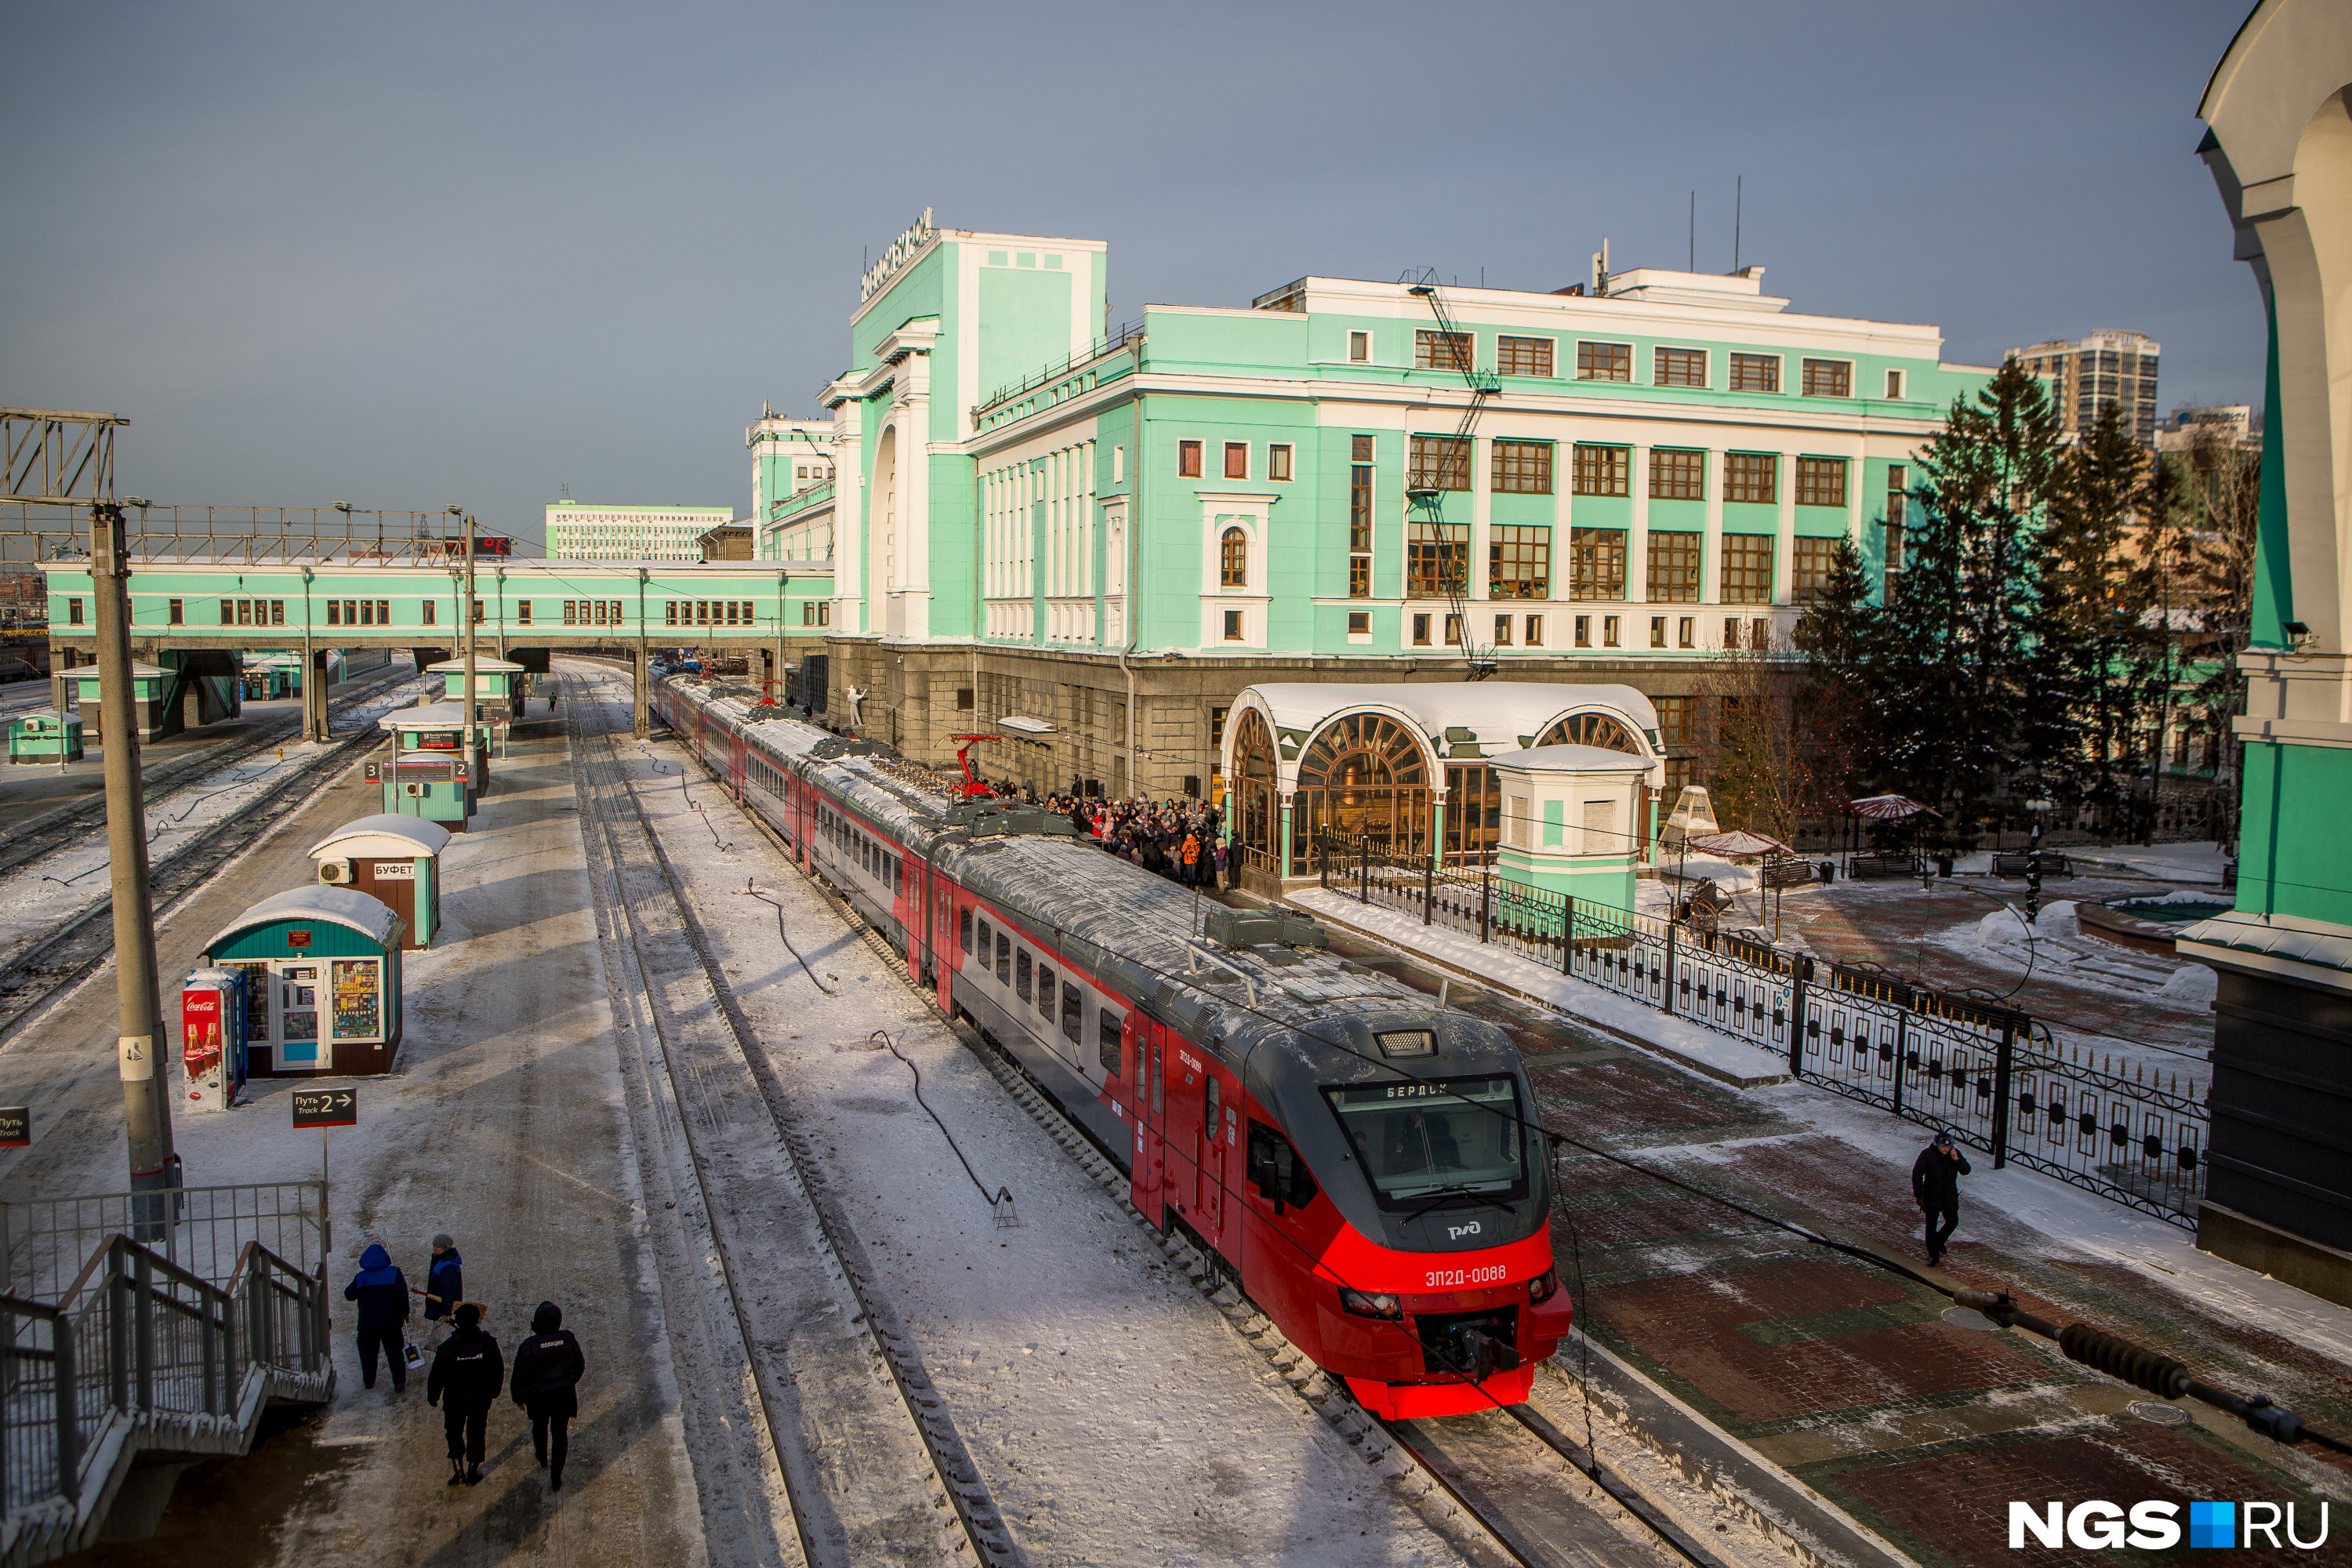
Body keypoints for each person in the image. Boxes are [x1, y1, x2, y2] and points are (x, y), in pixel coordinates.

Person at [510, 1301, 586, 1490]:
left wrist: (520, 1398)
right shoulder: (568, 1339)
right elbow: (580, 1365)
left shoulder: (529, 1345)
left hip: (538, 1398)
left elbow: (519, 1374)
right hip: (564, 1396)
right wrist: (569, 1381)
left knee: (539, 1427)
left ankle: (542, 1456)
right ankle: (556, 1477)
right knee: (560, 1435)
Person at [427, 1302, 505, 1486]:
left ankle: (458, 1470)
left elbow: (437, 1373)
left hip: (454, 1399)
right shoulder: (488, 1343)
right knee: (477, 1431)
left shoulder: (448, 1346)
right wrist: (495, 1390)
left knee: (453, 1432)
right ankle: (473, 1471)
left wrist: (433, 1395)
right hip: (480, 1398)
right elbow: (498, 1368)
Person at [343, 1243, 411, 1393]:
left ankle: (369, 1381)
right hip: (391, 1323)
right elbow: (402, 1296)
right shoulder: (394, 1273)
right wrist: (405, 1313)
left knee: (368, 1354)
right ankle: (399, 1382)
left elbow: (349, 1295)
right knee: (394, 1353)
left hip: (367, 1325)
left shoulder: (361, 1277)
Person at [1912, 1130, 1973, 1266]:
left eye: (1948, 1146)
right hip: (1932, 1195)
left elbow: (1966, 1171)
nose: (1946, 1149)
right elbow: (1917, 1174)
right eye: (1943, 1146)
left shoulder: (1954, 1154)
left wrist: (1957, 1159)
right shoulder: (1927, 1155)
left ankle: (1938, 1241)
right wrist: (1919, 1195)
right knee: (1931, 1225)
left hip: (1949, 1196)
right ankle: (1933, 1255)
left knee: (1952, 1222)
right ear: (1936, 1145)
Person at [421, 1233, 463, 1337]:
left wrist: (446, 1312)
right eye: (434, 1246)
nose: (435, 1249)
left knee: (444, 1342)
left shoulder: (449, 1266)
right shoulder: (440, 1261)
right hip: (439, 1307)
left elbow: (449, 1290)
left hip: (444, 1310)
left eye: (438, 1247)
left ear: (445, 1248)